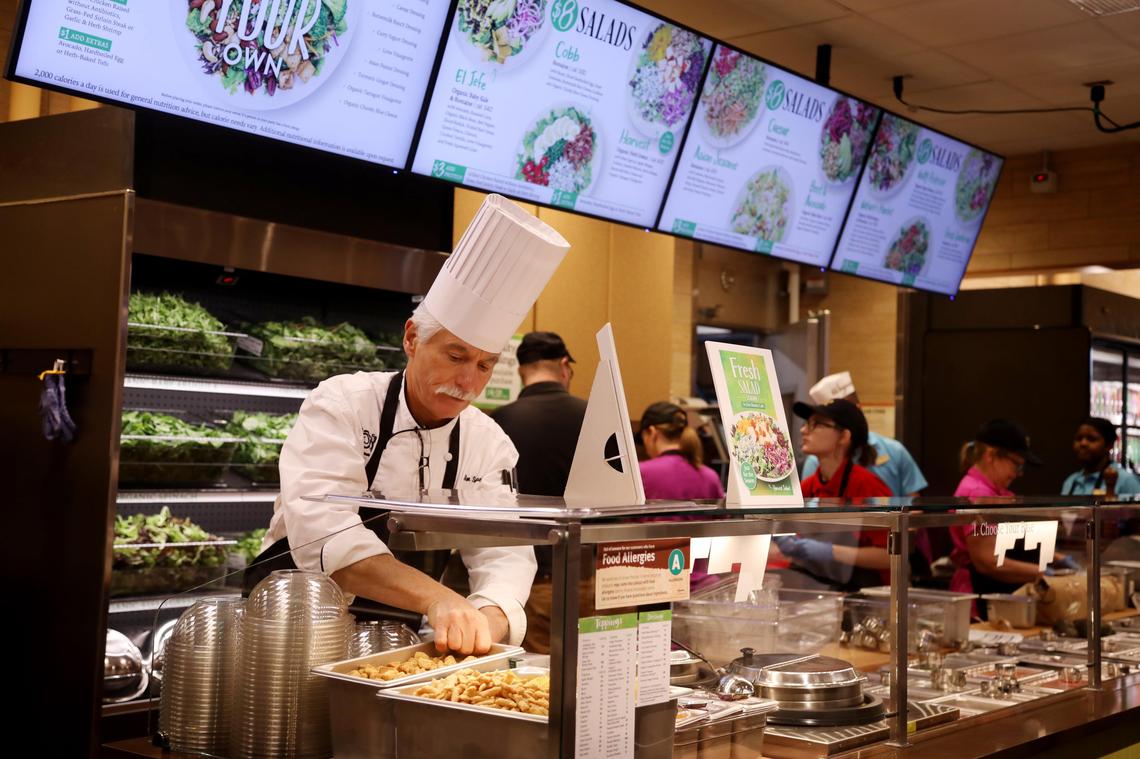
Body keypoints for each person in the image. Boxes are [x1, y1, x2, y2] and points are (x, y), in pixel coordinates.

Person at [243, 194, 570, 654]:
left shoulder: (486, 440)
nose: (467, 382)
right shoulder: (341, 404)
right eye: (455, 356)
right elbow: (324, 533)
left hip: (398, 639)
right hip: (291, 629)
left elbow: (504, 550)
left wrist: (486, 620)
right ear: (413, 338)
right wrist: (437, 598)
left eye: (484, 365)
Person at [491, 331, 589, 653]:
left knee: (542, 684)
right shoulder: (593, 415)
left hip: (531, 580)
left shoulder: (498, 421)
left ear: (521, 370)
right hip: (593, 577)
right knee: (599, 674)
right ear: (565, 366)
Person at [774, 399, 893, 591]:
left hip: (870, 596)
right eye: (806, 424)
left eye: (817, 424)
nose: (804, 430)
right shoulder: (808, 486)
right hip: (825, 592)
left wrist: (832, 552)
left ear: (844, 436)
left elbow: (890, 556)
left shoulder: (867, 486)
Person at [949, 419, 1053, 611]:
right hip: (982, 595)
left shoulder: (998, 493)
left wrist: (1059, 558)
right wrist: (1044, 573)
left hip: (1003, 592)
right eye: (1017, 465)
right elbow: (986, 561)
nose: (1019, 474)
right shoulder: (978, 494)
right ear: (991, 455)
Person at [799, 371, 927, 497]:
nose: (804, 430)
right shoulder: (813, 469)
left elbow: (912, 504)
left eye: (818, 424)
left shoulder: (892, 453)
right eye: (810, 423)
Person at [638, 402, 725, 501]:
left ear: (652, 432)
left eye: (643, 438)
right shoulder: (711, 477)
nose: (645, 449)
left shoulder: (640, 474)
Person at [1062, 417, 1140, 497]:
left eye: (1091, 439)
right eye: (1079, 438)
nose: (1083, 443)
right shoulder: (1071, 481)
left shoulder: (1126, 481)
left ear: (1109, 445)